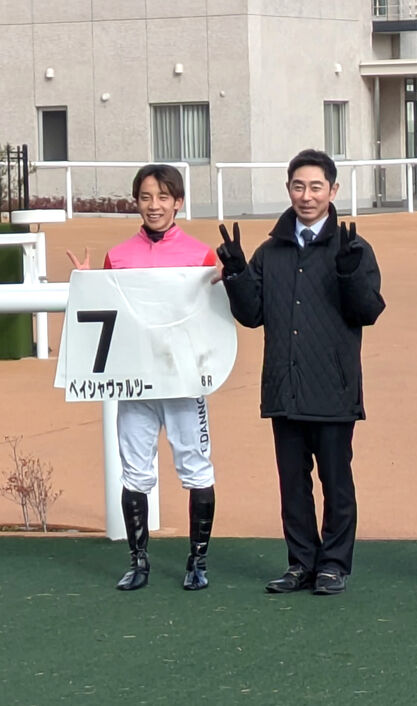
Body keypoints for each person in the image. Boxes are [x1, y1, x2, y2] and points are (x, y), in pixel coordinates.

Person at [217, 149, 385, 596]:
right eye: (298, 186)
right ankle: (300, 563)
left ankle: (333, 564)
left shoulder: (353, 247)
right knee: (293, 485)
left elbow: (368, 311)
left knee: (335, 482)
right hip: (283, 387)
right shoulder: (270, 251)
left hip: (333, 387)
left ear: (333, 190)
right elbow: (252, 314)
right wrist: (236, 272)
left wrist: (350, 274)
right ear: (288, 189)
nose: (306, 196)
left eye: (315, 187)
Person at [65, 164, 218, 592]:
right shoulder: (120, 255)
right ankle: (138, 562)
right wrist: (90, 284)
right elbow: (110, 315)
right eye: (147, 197)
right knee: (134, 472)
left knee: (196, 468)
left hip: (184, 382)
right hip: (135, 381)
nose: (155, 206)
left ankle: (197, 561)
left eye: (163, 197)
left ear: (178, 202)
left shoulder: (203, 254)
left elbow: (217, 317)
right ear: (137, 201)